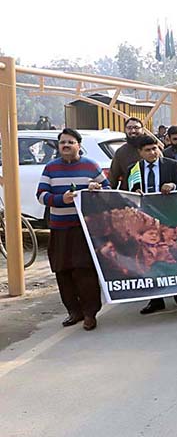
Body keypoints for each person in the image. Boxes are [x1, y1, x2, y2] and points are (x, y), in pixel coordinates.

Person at [36, 128, 110, 331]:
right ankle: (73, 311)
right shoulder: (50, 168)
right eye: (62, 143)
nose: (66, 146)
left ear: (79, 145)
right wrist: (61, 199)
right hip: (59, 228)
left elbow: (108, 189)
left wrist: (97, 188)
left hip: (84, 228)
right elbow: (41, 195)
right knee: (62, 269)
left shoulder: (91, 166)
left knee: (84, 270)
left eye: (70, 142)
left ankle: (90, 314)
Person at [122, 136, 177, 315]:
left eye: (154, 148)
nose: (152, 153)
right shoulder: (133, 170)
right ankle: (156, 299)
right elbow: (123, 192)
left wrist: (172, 186)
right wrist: (133, 192)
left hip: (168, 218)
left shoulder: (172, 165)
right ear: (140, 153)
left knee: (173, 254)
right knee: (150, 259)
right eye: (147, 150)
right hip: (145, 221)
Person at [108, 117, 146, 189]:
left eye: (136, 127)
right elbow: (112, 179)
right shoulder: (121, 152)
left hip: (151, 195)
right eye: (129, 128)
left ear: (143, 130)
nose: (133, 131)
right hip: (128, 196)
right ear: (125, 130)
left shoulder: (153, 149)